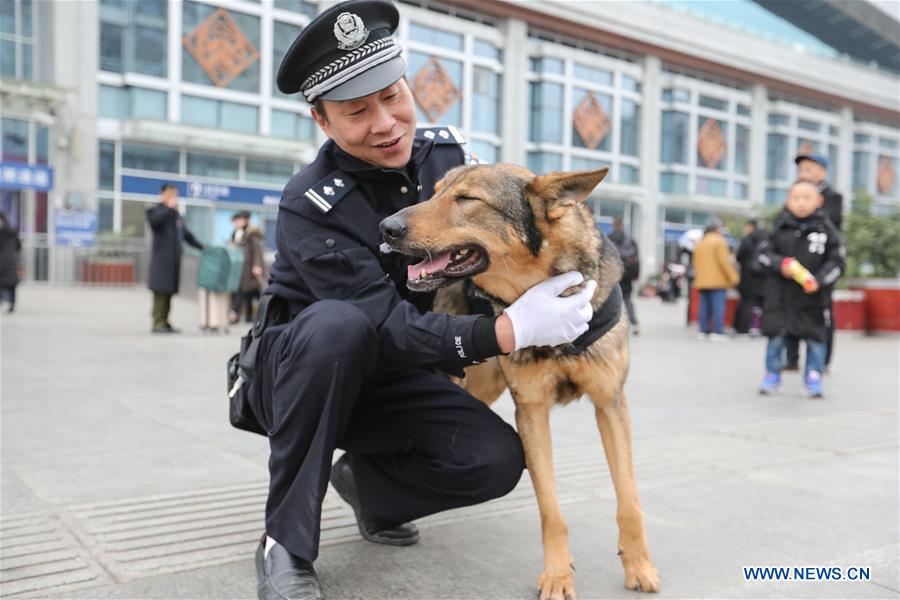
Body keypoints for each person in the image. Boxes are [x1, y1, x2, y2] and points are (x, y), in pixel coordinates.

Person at [244, 2, 595, 599]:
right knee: (337, 325)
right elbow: (383, 325)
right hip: (304, 375)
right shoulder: (311, 203)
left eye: (392, 95)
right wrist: (508, 333)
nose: (385, 123)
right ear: (322, 122)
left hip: (397, 375)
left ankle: (370, 487)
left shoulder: (451, 160)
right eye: (356, 111)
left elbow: (514, 237)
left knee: (492, 458)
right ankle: (285, 545)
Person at [756, 180, 844, 398]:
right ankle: (772, 375)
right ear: (788, 201)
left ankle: (814, 377)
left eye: (807, 198)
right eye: (796, 198)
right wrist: (781, 264)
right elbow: (762, 256)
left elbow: (837, 263)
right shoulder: (780, 226)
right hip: (781, 300)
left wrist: (820, 280)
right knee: (775, 339)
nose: (801, 203)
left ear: (819, 201)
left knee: (815, 341)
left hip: (811, 301)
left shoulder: (826, 231)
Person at [785, 152, 844, 370]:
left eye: (808, 169)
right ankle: (791, 358)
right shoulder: (794, 194)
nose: (803, 174)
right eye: (801, 170)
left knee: (823, 313)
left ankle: (822, 361)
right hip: (794, 266)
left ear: (822, 172)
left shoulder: (833, 197)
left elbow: (833, 227)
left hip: (819, 265)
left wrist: (810, 200)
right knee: (789, 309)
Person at [146, 184, 204, 333]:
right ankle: (157, 322)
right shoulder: (156, 210)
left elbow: (187, 235)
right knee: (160, 291)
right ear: (162, 194)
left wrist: (202, 247)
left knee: (169, 291)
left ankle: (165, 321)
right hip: (161, 261)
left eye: (175, 194)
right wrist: (168, 208)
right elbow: (155, 223)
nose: (173, 196)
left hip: (173, 262)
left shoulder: (176, 215)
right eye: (170, 193)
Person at [691, 218, 739, 340]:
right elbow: (724, 262)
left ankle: (703, 330)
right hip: (717, 280)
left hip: (702, 280)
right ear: (716, 229)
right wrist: (734, 277)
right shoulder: (719, 241)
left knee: (704, 306)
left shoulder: (700, 243)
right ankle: (717, 331)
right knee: (718, 306)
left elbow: (695, 263)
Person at [229, 210, 266, 324]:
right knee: (243, 292)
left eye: (238, 220)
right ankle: (240, 314)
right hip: (240, 268)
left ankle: (251, 315)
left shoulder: (252, 234)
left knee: (252, 292)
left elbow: (257, 252)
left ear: (246, 220)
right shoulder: (236, 233)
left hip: (250, 269)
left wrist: (257, 265)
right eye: (235, 221)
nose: (235, 223)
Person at [734, 219, 768, 335]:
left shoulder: (747, 240)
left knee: (747, 303)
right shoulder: (767, 239)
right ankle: (761, 328)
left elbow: (739, 257)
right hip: (764, 278)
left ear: (750, 226)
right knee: (763, 304)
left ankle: (744, 328)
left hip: (748, 277)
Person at [608, 217, 640, 335]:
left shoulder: (609, 238)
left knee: (610, 300)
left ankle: (611, 325)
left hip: (613, 274)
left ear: (613, 225)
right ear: (622, 225)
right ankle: (634, 324)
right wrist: (636, 274)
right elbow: (637, 259)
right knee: (627, 300)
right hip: (627, 275)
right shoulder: (630, 240)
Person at [0, 212, 21, 312]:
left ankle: (5, 302)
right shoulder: (13, 232)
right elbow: (18, 246)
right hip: (12, 261)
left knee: (6, 283)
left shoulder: (3, 233)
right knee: (12, 284)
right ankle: (12, 304)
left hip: (3, 262)